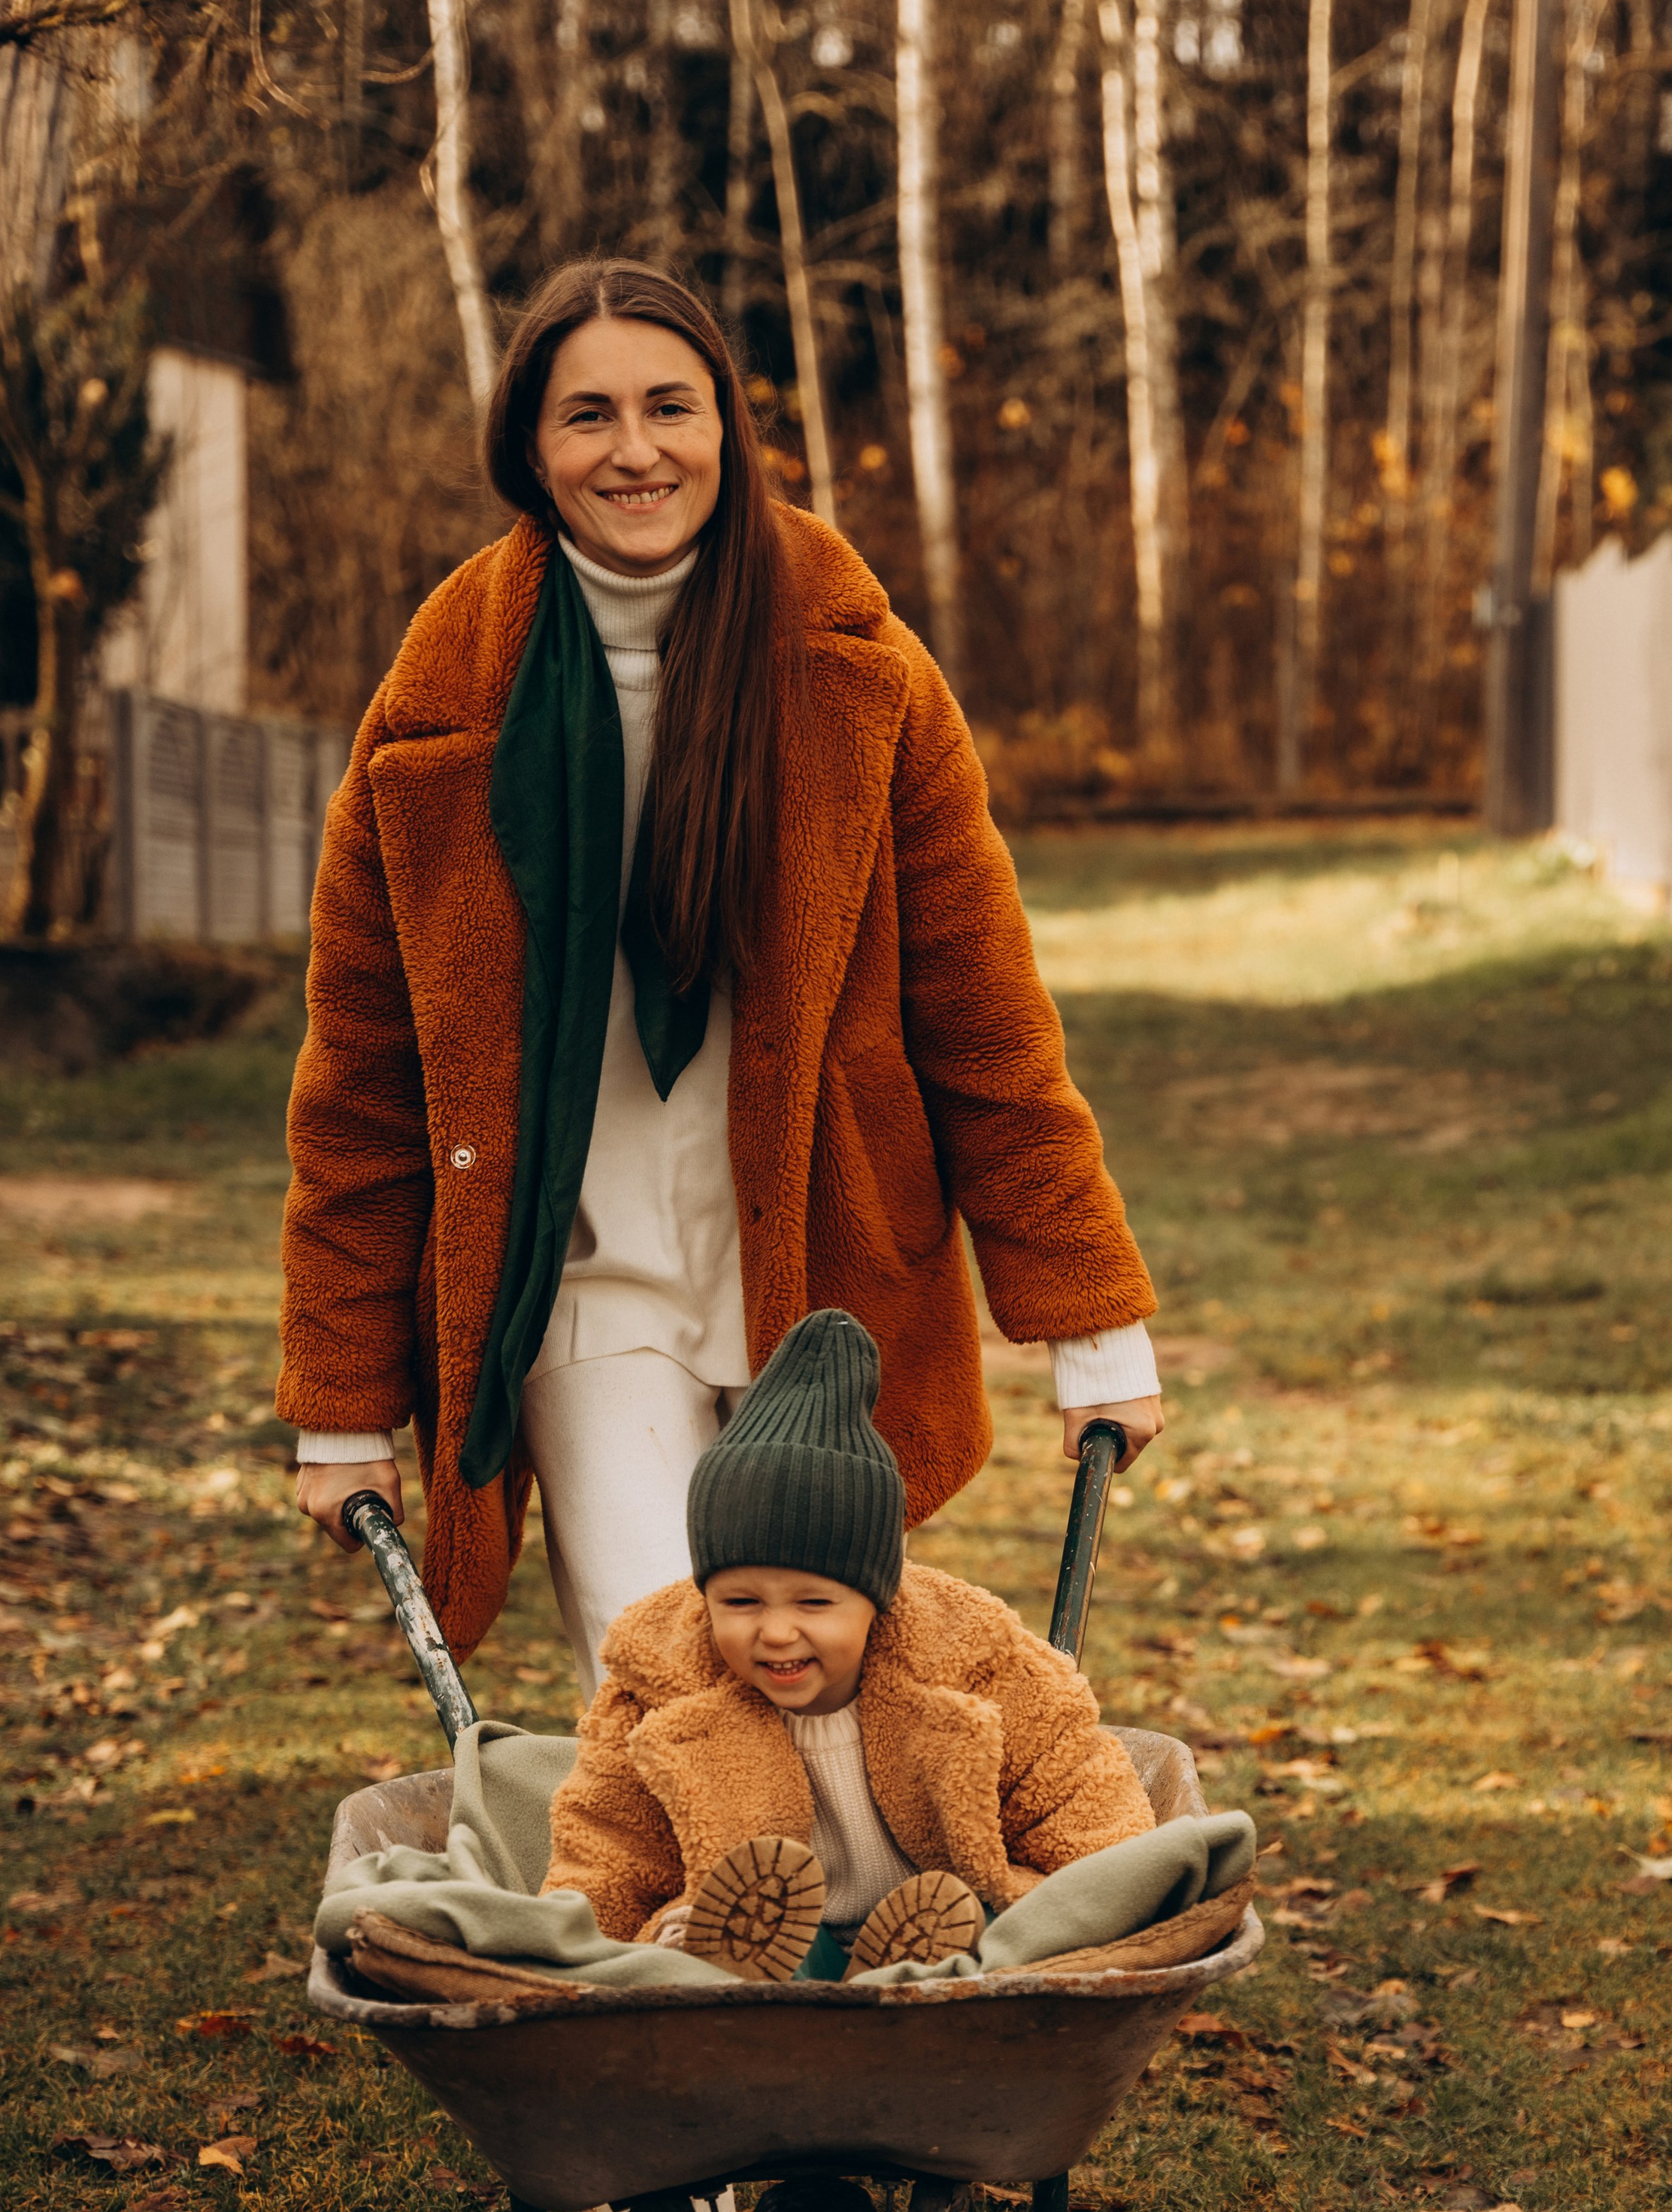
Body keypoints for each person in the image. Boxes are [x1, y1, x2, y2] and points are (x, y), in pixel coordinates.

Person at [279, 257, 1163, 1693]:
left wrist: (1092, 1322)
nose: (635, 450)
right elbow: (363, 1088)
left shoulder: (860, 675)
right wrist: (339, 1403)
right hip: (578, 1285)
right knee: (679, 1692)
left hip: (820, 1272)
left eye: (669, 407)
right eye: (588, 416)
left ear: (726, 430)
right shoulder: (440, 713)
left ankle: (827, 1924)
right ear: (530, 446)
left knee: (829, 1688)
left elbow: (986, 1022)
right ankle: (696, 1922)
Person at [539, 1310, 1158, 1980]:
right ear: (704, 1597)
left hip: (944, 1909)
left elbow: (1085, 1808)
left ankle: (929, 1965)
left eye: (814, 1602)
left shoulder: (987, 1673)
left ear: (879, 1597)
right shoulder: (659, 1691)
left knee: (993, 1921)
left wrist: (1084, 1910)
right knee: (735, 1936)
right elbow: (609, 1845)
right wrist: (582, 1953)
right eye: (740, 1602)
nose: (775, 1631)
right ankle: (726, 1967)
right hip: (778, 1933)